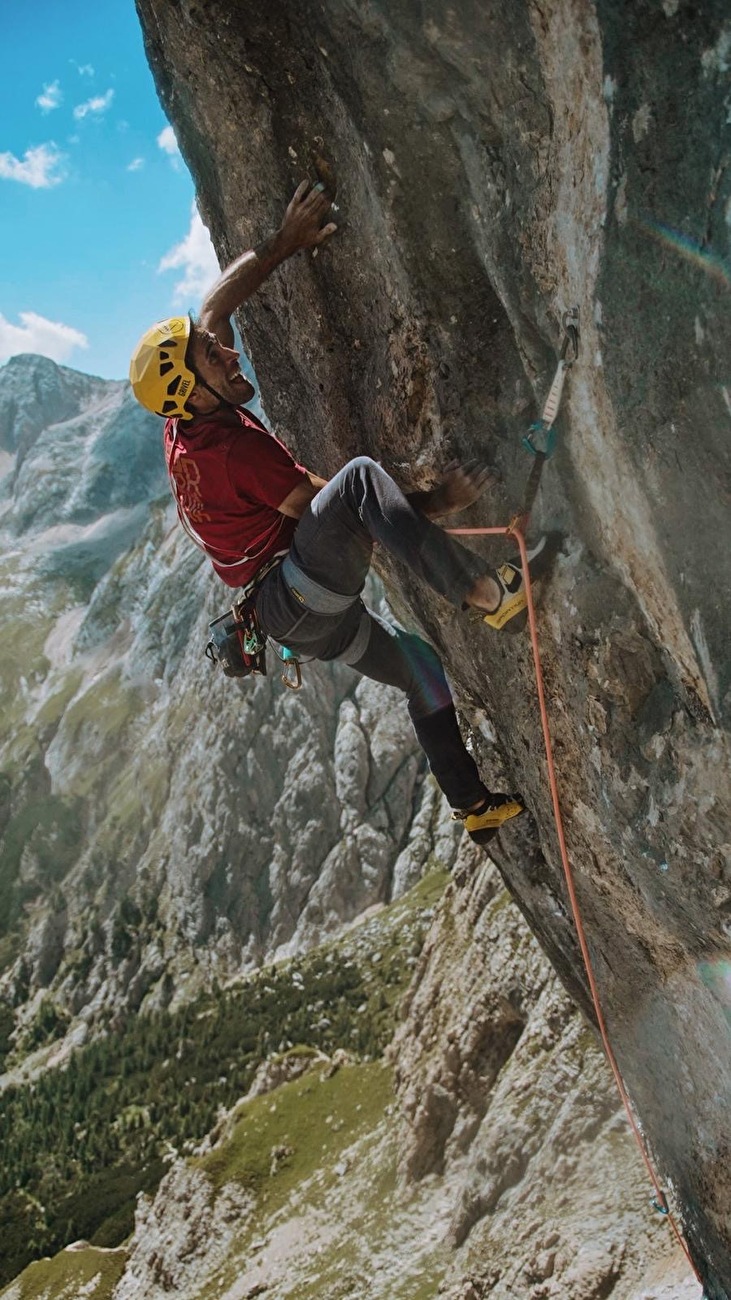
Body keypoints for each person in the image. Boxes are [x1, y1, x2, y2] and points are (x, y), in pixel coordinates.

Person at [129, 181, 537, 845]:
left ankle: (473, 807)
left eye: (217, 348)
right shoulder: (229, 452)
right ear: (193, 392)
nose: (228, 352)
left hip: (301, 620)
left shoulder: (185, 414)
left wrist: (284, 244)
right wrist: (438, 502)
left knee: (422, 672)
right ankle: (487, 595)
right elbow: (345, 508)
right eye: (214, 358)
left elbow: (216, 303)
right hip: (301, 598)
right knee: (357, 481)